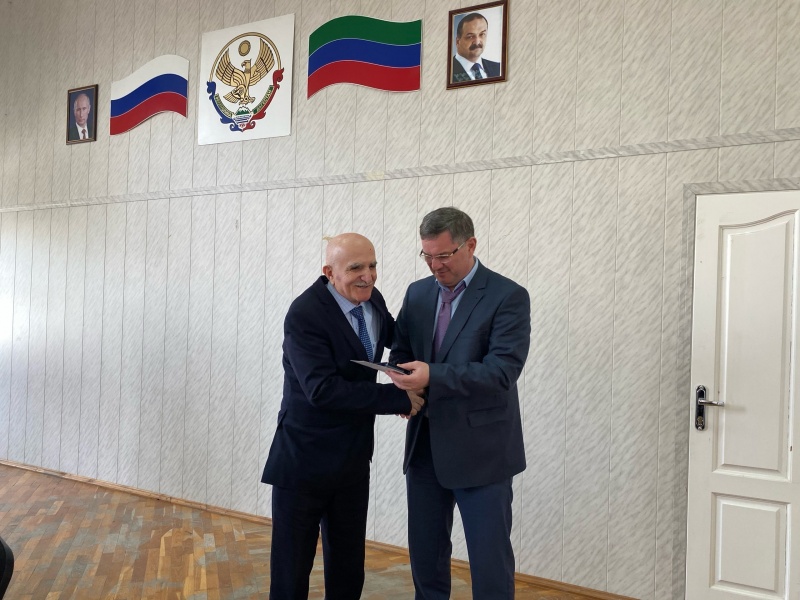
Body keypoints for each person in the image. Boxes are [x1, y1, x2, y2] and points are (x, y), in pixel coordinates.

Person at [261, 233, 426, 600]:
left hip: (352, 460)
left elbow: (395, 341)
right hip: (303, 463)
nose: (368, 276)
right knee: (291, 573)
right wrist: (398, 399)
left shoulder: (371, 299)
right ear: (329, 272)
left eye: (372, 266)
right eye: (355, 268)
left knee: (349, 569)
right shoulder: (305, 314)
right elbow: (322, 390)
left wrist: (406, 375)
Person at [387, 207, 530, 599]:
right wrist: (403, 385)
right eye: (427, 256)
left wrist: (431, 376)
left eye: (444, 256)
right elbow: (402, 350)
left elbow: (501, 372)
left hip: (483, 454)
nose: (435, 265)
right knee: (426, 559)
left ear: (470, 245)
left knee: (489, 563)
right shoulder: (418, 293)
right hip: (425, 449)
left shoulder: (507, 296)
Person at [451, 12, 501, 83]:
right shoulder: (446, 72)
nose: (477, 42)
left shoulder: (498, 68)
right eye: (470, 36)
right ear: (458, 42)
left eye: (482, 34)